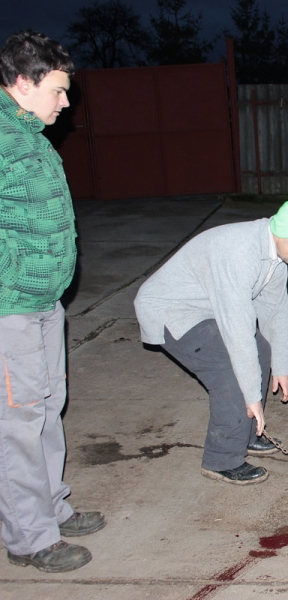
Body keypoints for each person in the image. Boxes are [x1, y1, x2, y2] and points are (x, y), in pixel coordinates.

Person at [0, 30, 106, 573]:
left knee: (46, 409)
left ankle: (51, 507)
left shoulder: (31, 135)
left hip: (44, 301)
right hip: (10, 307)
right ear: (23, 82)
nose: (66, 102)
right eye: (58, 90)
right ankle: (28, 537)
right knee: (17, 424)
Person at [134, 191, 288, 485]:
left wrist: (282, 367)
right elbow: (237, 331)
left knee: (262, 351)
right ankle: (222, 460)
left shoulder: (276, 255)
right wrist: (251, 395)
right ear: (285, 232)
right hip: (170, 310)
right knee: (231, 371)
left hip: (205, 307)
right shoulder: (240, 253)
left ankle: (247, 434)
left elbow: (275, 310)